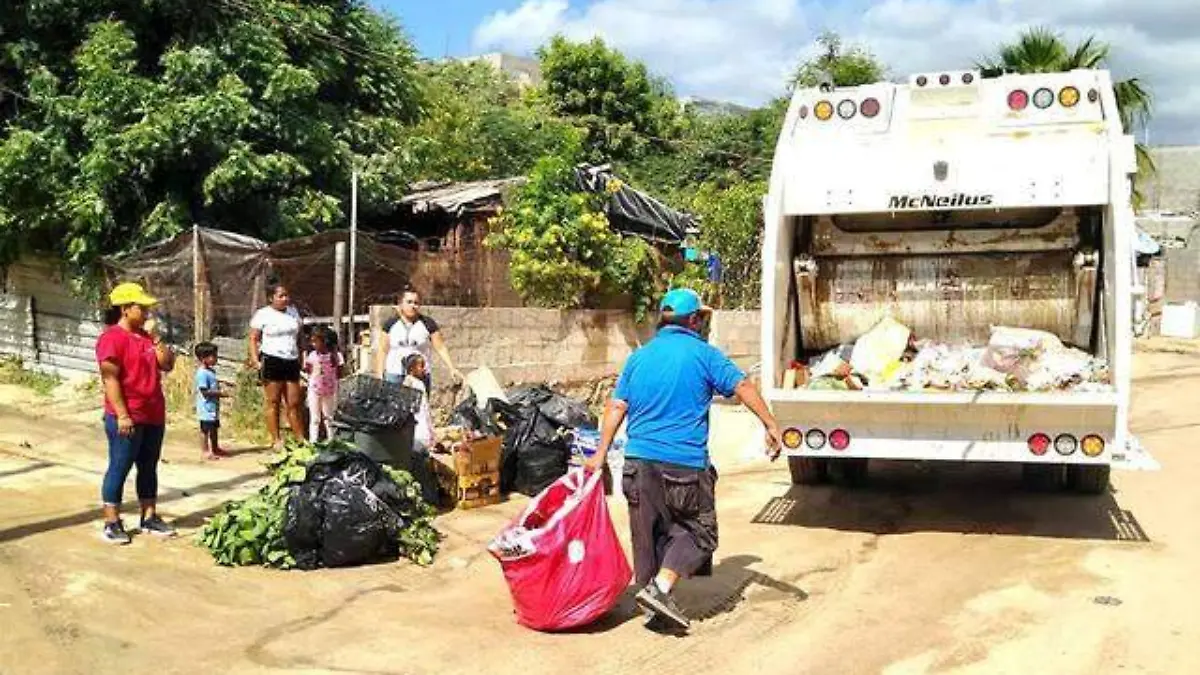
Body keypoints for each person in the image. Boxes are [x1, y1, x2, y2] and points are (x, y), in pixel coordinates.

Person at [585, 288, 783, 632]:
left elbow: (616, 406)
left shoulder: (639, 357)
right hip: (683, 464)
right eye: (702, 318)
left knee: (648, 535)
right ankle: (660, 589)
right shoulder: (704, 354)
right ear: (693, 320)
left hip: (636, 463)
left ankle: (652, 603)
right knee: (700, 533)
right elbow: (743, 386)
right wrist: (770, 424)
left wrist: (600, 455)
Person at [95, 282, 178, 545]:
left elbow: (168, 365)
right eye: (141, 308)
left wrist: (156, 339)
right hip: (127, 414)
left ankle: (149, 516)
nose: (146, 313)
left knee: (148, 466)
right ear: (124, 309)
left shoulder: (146, 338)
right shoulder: (111, 339)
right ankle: (111, 521)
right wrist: (122, 414)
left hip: (153, 413)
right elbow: (110, 379)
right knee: (120, 466)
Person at [249, 283, 305, 448]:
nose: (285, 299)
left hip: (291, 360)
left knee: (294, 402)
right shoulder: (263, 314)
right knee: (273, 401)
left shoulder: (293, 312)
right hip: (272, 360)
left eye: (286, 295)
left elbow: (300, 337)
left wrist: (302, 356)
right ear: (271, 298)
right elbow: (253, 338)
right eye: (281, 296)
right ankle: (276, 439)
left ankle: (299, 438)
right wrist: (255, 360)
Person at [378, 286, 463, 391]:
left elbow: (440, 347)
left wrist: (452, 368)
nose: (413, 306)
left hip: (420, 375)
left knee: (419, 406)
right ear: (400, 304)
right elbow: (382, 350)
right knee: (392, 406)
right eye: (409, 302)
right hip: (394, 375)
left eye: (416, 303)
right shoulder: (390, 324)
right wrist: (379, 374)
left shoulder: (428, 323)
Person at [304, 326, 345, 443]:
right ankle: (314, 441)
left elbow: (340, 373)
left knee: (329, 417)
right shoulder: (312, 356)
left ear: (325, 341)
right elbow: (308, 369)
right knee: (315, 418)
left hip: (330, 392)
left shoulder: (337, 356)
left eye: (315, 341)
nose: (313, 344)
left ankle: (331, 440)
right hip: (314, 390)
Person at [194, 342, 230, 460]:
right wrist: (220, 393)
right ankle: (205, 450)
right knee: (205, 430)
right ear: (203, 359)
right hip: (205, 408)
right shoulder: (202, 374)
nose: (216, 358)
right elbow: (204, 391)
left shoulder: (211, 371)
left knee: (214, 429)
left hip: (213, 407)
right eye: (213, 356)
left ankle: (215, 448)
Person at [401, 353, 435, 453]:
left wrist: (431, 428)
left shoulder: (419, 383)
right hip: (417, 428)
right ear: (412, 368)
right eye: (421, 366)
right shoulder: (409, 383)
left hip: (422, 425)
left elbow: (425, 407)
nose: (424, 369)